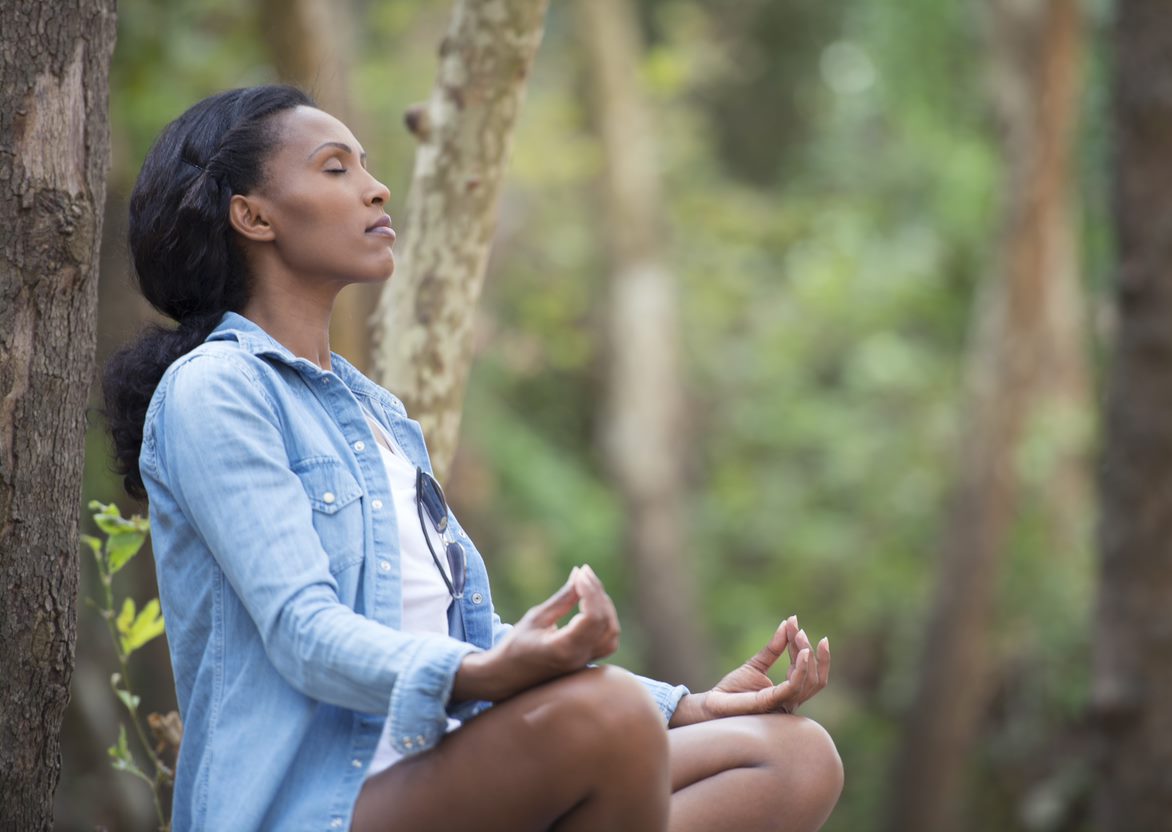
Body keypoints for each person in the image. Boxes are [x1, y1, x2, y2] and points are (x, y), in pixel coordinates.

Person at [102, 85, 843, 832]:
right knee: (604, 718)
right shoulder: (215, 389)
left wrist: (687, 707)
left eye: (365, 164)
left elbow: (468, 636)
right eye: (335, 168)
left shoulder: (378, 415)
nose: (375, 185)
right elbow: (303, 630)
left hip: (450, 775)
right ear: (252, 215)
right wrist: (480, 675)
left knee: (789, 758)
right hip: (314, 805)